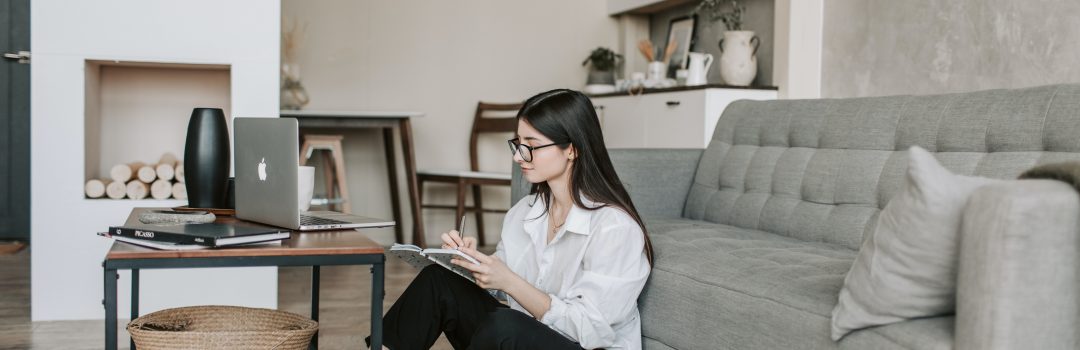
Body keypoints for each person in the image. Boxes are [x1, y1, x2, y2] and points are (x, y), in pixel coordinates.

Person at [374, 89, 654, 350]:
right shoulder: (526, 210)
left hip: (586, 345)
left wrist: (509, 281)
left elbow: (590, 329)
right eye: (518, 144)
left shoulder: (615, 228)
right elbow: (501, 290)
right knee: (440, 280)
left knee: (505, 326)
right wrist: (471, 264)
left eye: (532, 145)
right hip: (531, 336)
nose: (520, 156)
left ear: (572, 149)